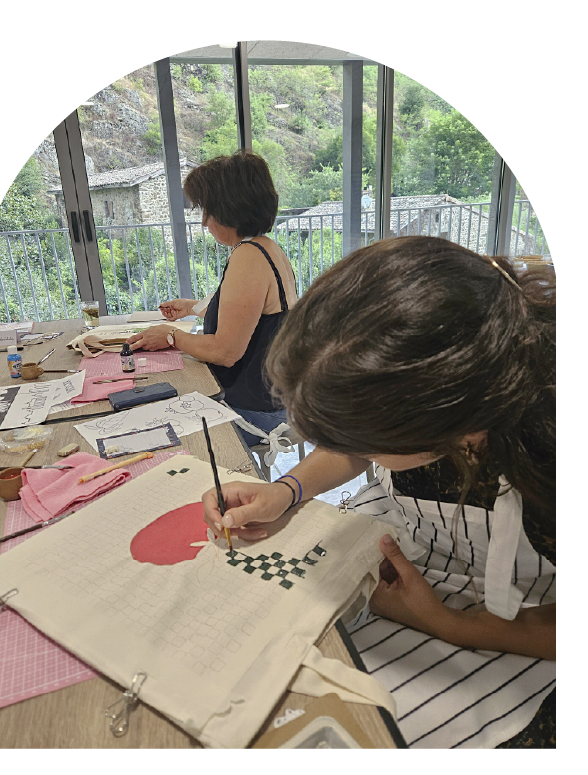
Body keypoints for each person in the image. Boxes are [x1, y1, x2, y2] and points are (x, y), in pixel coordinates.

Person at [201, 236, 556, 749]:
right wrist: (287, 491)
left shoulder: (550, 457)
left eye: (361, 440)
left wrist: (449, 625)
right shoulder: (444, 393)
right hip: (426, 570)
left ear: (458, 433)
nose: (344, 449)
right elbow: (359, 446)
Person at [126, 150, 297, 445]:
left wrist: (171, 336)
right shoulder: (268, 248)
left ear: (230, 209)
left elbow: (225, 352)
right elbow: (251, 319)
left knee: (149, 427)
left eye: (207, 210)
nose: (204, 221)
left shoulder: (248, 256)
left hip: (255, 412)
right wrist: (192, 308)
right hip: (276, 402)